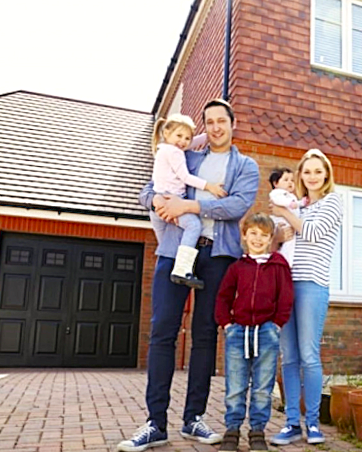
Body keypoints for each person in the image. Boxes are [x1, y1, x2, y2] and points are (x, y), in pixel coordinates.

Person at [117, 98, 259, 452]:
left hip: (217, 256)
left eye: (221, 121)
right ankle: (155, 423)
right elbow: (148, 189)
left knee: (205, 335)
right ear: (204, 128)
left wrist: (189, 205)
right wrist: (157, 203)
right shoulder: (187, 156)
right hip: (175, 249)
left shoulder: (246, 166)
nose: (215, 127)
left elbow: (236, 205)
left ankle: (193, 418)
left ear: (233, 124)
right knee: (162, 331)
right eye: (209, 122)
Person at [268, 149, 343, 446]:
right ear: (300, 175)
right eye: (307, 171)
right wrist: (281, 226)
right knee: (288, 356)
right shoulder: (299, 205)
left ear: (326, 175)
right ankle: (291, 423)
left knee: (309, 356)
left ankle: (312, 423)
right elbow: (280, 239)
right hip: (287, 284)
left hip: (312, 284)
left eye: (317, 171)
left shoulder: (332, 201)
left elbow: (311, 233)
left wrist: (283, 213)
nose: (312, 176)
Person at [215, 213, 294, 452]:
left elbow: (286, 297)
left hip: (267, 333)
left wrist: (277, 324)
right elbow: (223, 297)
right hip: (238, 333)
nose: (258, 239)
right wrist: (227, 324)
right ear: (244, 235)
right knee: (235, 385)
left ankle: (257, 431)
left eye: (263, 235)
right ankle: (232, 430)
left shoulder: (278, 266)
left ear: (271, 239)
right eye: (253, 233)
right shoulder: (237, 268)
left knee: (262, 387)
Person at [149, 113, 227, 290]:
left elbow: (190, 143)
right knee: (193, 226)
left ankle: (173, 270)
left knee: (166, 249)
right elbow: (185, 177)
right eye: (179, 136)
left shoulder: (165, 148)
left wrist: (209, 134)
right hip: (170, 201)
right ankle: (182, 270)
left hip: (158, 205)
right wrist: (210, 187)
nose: (183, 141)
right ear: (167, 133)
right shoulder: (175, 153)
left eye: (187, 138)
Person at [268, 167, 299, 266]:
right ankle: (284, 262)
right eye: (286, 180)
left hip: (289, 223)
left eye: (292, 180)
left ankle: (286, 262)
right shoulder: (277, 193)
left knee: (290, 243)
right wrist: (290, 203)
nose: (290, 182)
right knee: (286, 242)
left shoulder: (291, 196)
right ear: (275, 183)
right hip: (281, 222)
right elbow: (278, 200)